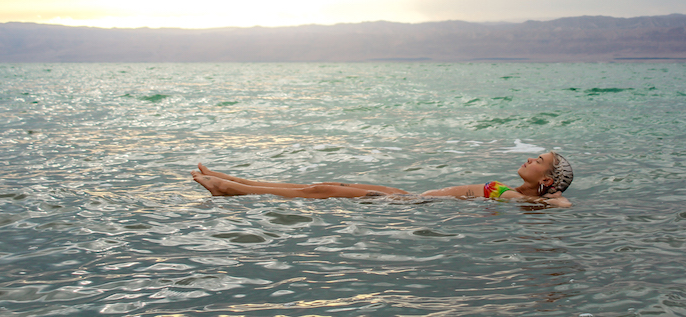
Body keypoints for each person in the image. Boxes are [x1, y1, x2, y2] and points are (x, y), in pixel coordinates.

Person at [192, 151, 574, 207]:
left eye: (538, 160)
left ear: (547, 178)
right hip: (413, 194)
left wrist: (554, 197)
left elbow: (562, 204)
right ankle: (234, 180)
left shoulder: (523, 199)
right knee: (333, 182)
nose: (529, 159)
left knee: (323, 190)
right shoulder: (519, 193)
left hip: (413, 206)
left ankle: (229, 188)